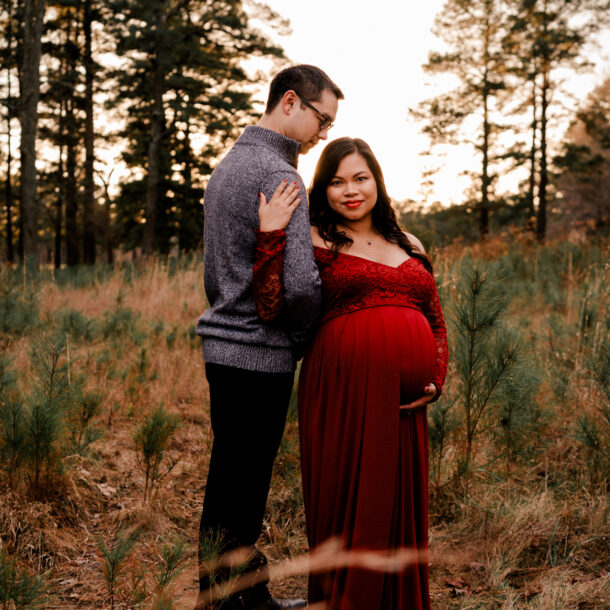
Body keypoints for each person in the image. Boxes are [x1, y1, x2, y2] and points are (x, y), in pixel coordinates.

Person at [252, 137, 448, 609]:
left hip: (404, 405)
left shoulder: (409, 242)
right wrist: (271, 235)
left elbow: (436, 320)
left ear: (377, 181)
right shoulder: (314, 237)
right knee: (350, 498)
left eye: (360, 178)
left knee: (396, 502)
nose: (350, 190)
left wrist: (436, 378)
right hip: (341, 387)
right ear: (323, 189)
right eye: (337, 182)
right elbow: (270, 303)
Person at [195, 65, 343, 610]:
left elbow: (215, 275)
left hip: (223, 346)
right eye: (320, 118)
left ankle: (224, 596)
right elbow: (302, 285)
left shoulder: (227, 166)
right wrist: (305, 335)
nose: (322, 133)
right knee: (245, 484)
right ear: (289, 103)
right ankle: (236, 601)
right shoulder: (281, 177)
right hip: (260, 353)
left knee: (228, 477)